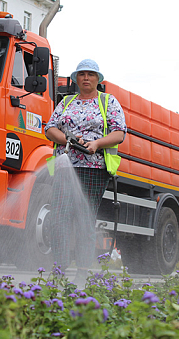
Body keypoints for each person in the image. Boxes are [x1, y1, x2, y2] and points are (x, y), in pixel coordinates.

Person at [44, 59, 126, 284]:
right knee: (59, 218)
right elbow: (49, 128)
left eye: (91, 74)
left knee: (84, 219)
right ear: (75, 79)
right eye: (81, 74)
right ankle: (59, 269)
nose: (86, 78)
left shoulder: (108, 102)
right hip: (64, 166)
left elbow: (119, 133)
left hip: (93, 168)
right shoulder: (66, 102)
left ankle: (82, 271)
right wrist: (68, 139)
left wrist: (96, 144)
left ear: (98, 79)